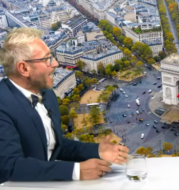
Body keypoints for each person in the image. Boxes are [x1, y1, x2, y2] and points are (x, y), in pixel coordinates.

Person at [0, 28, 129, 183]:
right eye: (47, 59)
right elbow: (10, 167)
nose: (56, 63)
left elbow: (55, 146)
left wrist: (96, 150)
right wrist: (76, 171)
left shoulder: (47, 95)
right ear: (24, 68)